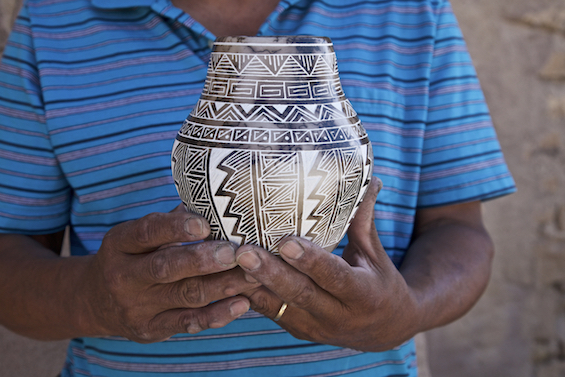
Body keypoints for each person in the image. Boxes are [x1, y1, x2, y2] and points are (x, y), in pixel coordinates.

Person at [0, 0, 516, 375]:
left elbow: (458, 230)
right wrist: (92, 300)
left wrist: (408, 311)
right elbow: (10, 253)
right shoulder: (53, 19)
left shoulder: (410, 11)